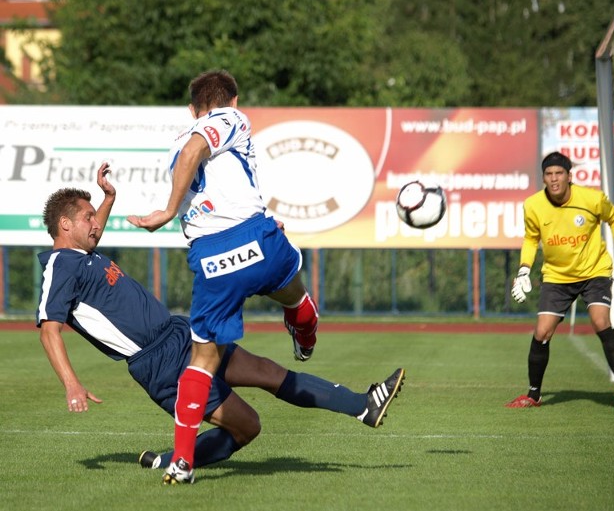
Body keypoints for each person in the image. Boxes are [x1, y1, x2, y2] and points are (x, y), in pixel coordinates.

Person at [37, 163, 406, 481]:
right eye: (87, 218)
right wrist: (72, 384)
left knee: (266, 370)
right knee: (248, 426)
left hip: (180, 332)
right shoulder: (60, 266)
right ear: (65, 225)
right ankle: (173, 460)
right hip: (159, 364)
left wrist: (108, 198)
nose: (95, 224)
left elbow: (93, 227)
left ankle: (362, 405)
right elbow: (49, 329)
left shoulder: (83, 252)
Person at [127, 70, 325, 483]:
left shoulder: (175, 144)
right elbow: (197, 148)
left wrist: (174, 210)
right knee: (296, 295)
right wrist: (166, 211)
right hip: (253, 241)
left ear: (189, 108)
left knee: (202, 362)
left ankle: (182, 461)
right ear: (232, 102)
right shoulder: (229, 119)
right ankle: (304, 336)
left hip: (212, 259)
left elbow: (196, 165)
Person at [507, 151, 614, 412]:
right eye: (548, 174)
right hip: (556, 276)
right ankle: (533, 395)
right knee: (542, 332)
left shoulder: (591, 199)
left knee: (601, 321)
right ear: (543, 177)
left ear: (570, 176)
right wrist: (523, 270)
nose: (554, 179)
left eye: (559, 173)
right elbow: (531, 238)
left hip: (594, 271)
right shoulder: (533, 205)